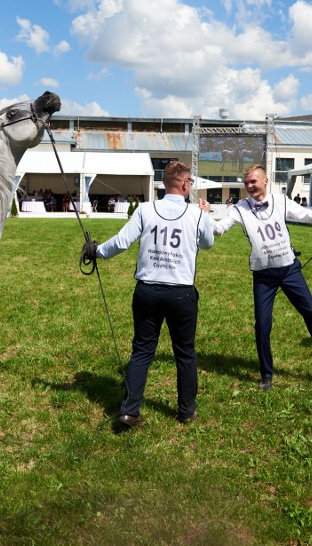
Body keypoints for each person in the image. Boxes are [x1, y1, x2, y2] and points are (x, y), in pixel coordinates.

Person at [82, 161, 215, 429]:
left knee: (142, 351)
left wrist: (95, 251)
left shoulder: (145, 209)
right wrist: (206, 214)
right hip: (181, 293)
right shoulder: (196, 214)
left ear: (164, 184)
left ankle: (130, 411)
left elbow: (121, 242)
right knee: (185, 353)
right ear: (186, 184)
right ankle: (187, 410)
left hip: (148, 291)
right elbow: (208, 243)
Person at [199, 164, 312, 391]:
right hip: (263, 276)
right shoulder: (240, 208)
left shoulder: (280, 201)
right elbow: (219, 230)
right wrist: (205, 215)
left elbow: (308, 214)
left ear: (266, 181)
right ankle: (266, 376)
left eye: (253, 181)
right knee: (262, 325)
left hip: (290, 270)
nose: (249, 186)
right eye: (246, 182)